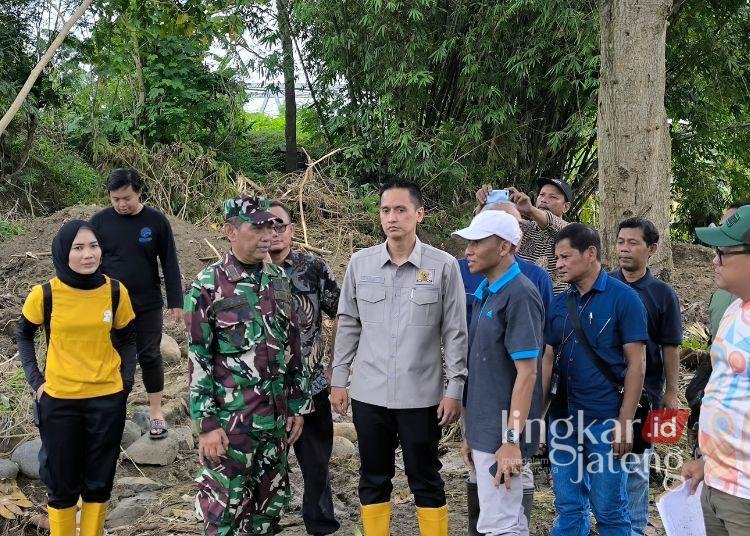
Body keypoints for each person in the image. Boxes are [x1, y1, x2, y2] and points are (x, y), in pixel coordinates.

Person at [331, 179, 467, 536]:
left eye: (401, 210)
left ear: (419, 215)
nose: (392, 218)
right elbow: (348, 325)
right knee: (373, 476)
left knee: (425, 477)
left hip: (420, 396)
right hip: (369, 393)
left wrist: (455, 388)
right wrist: (338, 379)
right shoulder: (361, 264)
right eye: (385, 210)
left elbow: (455, 332)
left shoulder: (443, 266)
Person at [184, 196, 312, 536]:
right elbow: (197, 359)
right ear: (230, 231)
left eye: (271, 226)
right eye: (256, 227)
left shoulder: (278, 280)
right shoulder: (208, 286)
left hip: (274, 425)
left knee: (267, 514)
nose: (267, 235)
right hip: (231, 428)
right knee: (223, 516)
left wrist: (297, 405)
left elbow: (292, 347)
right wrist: (207, 425)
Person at [16, 220, 137, 536]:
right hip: (60, 401)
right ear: (62, 252)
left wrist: (125, 381)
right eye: (78, 248)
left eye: (93, 246)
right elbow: (24, 334)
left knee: (99, 482)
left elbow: (127, 338)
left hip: (107, 400)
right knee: (61, 482)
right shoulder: (46, 294)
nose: (88, 255)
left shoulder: (114, 291)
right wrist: (36, 380)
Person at [542, 223, 648, 536]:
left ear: (590, 254)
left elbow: (636, 364)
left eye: (564, 257)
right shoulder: (559, 303)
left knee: (610, 509)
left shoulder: (623, 299)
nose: (558, 264)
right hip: (562, 420)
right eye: (556, 258)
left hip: (606, 420)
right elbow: (547, 363)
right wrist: (538, 416)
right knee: (568, 507)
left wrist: (625, 422)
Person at [457, 201, 551, 534]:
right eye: (468, 242)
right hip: (486, 430)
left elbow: (528, 374)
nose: (468, 250)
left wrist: (511, 440)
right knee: (494, 520)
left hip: (503, 435)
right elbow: (484, 371)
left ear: (504, 246)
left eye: (477, 242)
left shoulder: (520, 294)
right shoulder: (485, 291)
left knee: (504, 523)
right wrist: (472, 433)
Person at [90, 168, 183, 439]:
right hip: (110, 304)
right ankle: (111, 411)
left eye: (127, 198)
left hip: (147, 302)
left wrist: (176, 300)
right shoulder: (99, 222)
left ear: (139, 192)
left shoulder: (155, 220)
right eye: (115, 198)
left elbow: (169, 261)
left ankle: (156, 412)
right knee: (114, 358)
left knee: (150, 355)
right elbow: (89, 262)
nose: (121, 204)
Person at [267, 200, 341, 536]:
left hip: (310, 386)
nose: (274, 233)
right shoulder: (247, 273)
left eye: (280, 225)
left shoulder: (312, 267)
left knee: (315, 465)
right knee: (266, 467)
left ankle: (321, 524)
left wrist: (335, 367)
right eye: (266, 226)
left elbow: (342, 311)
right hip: (261, 392)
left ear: (292, 230)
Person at [608, 217, 683, 535]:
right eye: (621, 241)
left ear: (651, 249)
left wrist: (670, 390)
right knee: (603, 465)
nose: (624, 249)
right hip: (602, 392)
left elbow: (670, 346)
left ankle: (635, 527)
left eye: (633, 243)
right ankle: (610, 524)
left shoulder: (661, 294)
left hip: (645, 394)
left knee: (636, 467)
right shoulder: (605, 284)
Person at [680, 205, 750, 536]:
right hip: (717, 483)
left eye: (722, 253)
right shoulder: (735, 308)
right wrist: (708, 462)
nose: (713, 261)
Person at [476, 179, 572, 294]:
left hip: (554, 304)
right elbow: (486, 229)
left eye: (553, 197)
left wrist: (530, 210)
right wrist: (484, 206)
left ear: (566, 207)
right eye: (541, 195)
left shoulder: (571, 231)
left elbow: (556, 224)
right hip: (517, 298)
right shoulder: (522, 227)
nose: (544, 200)